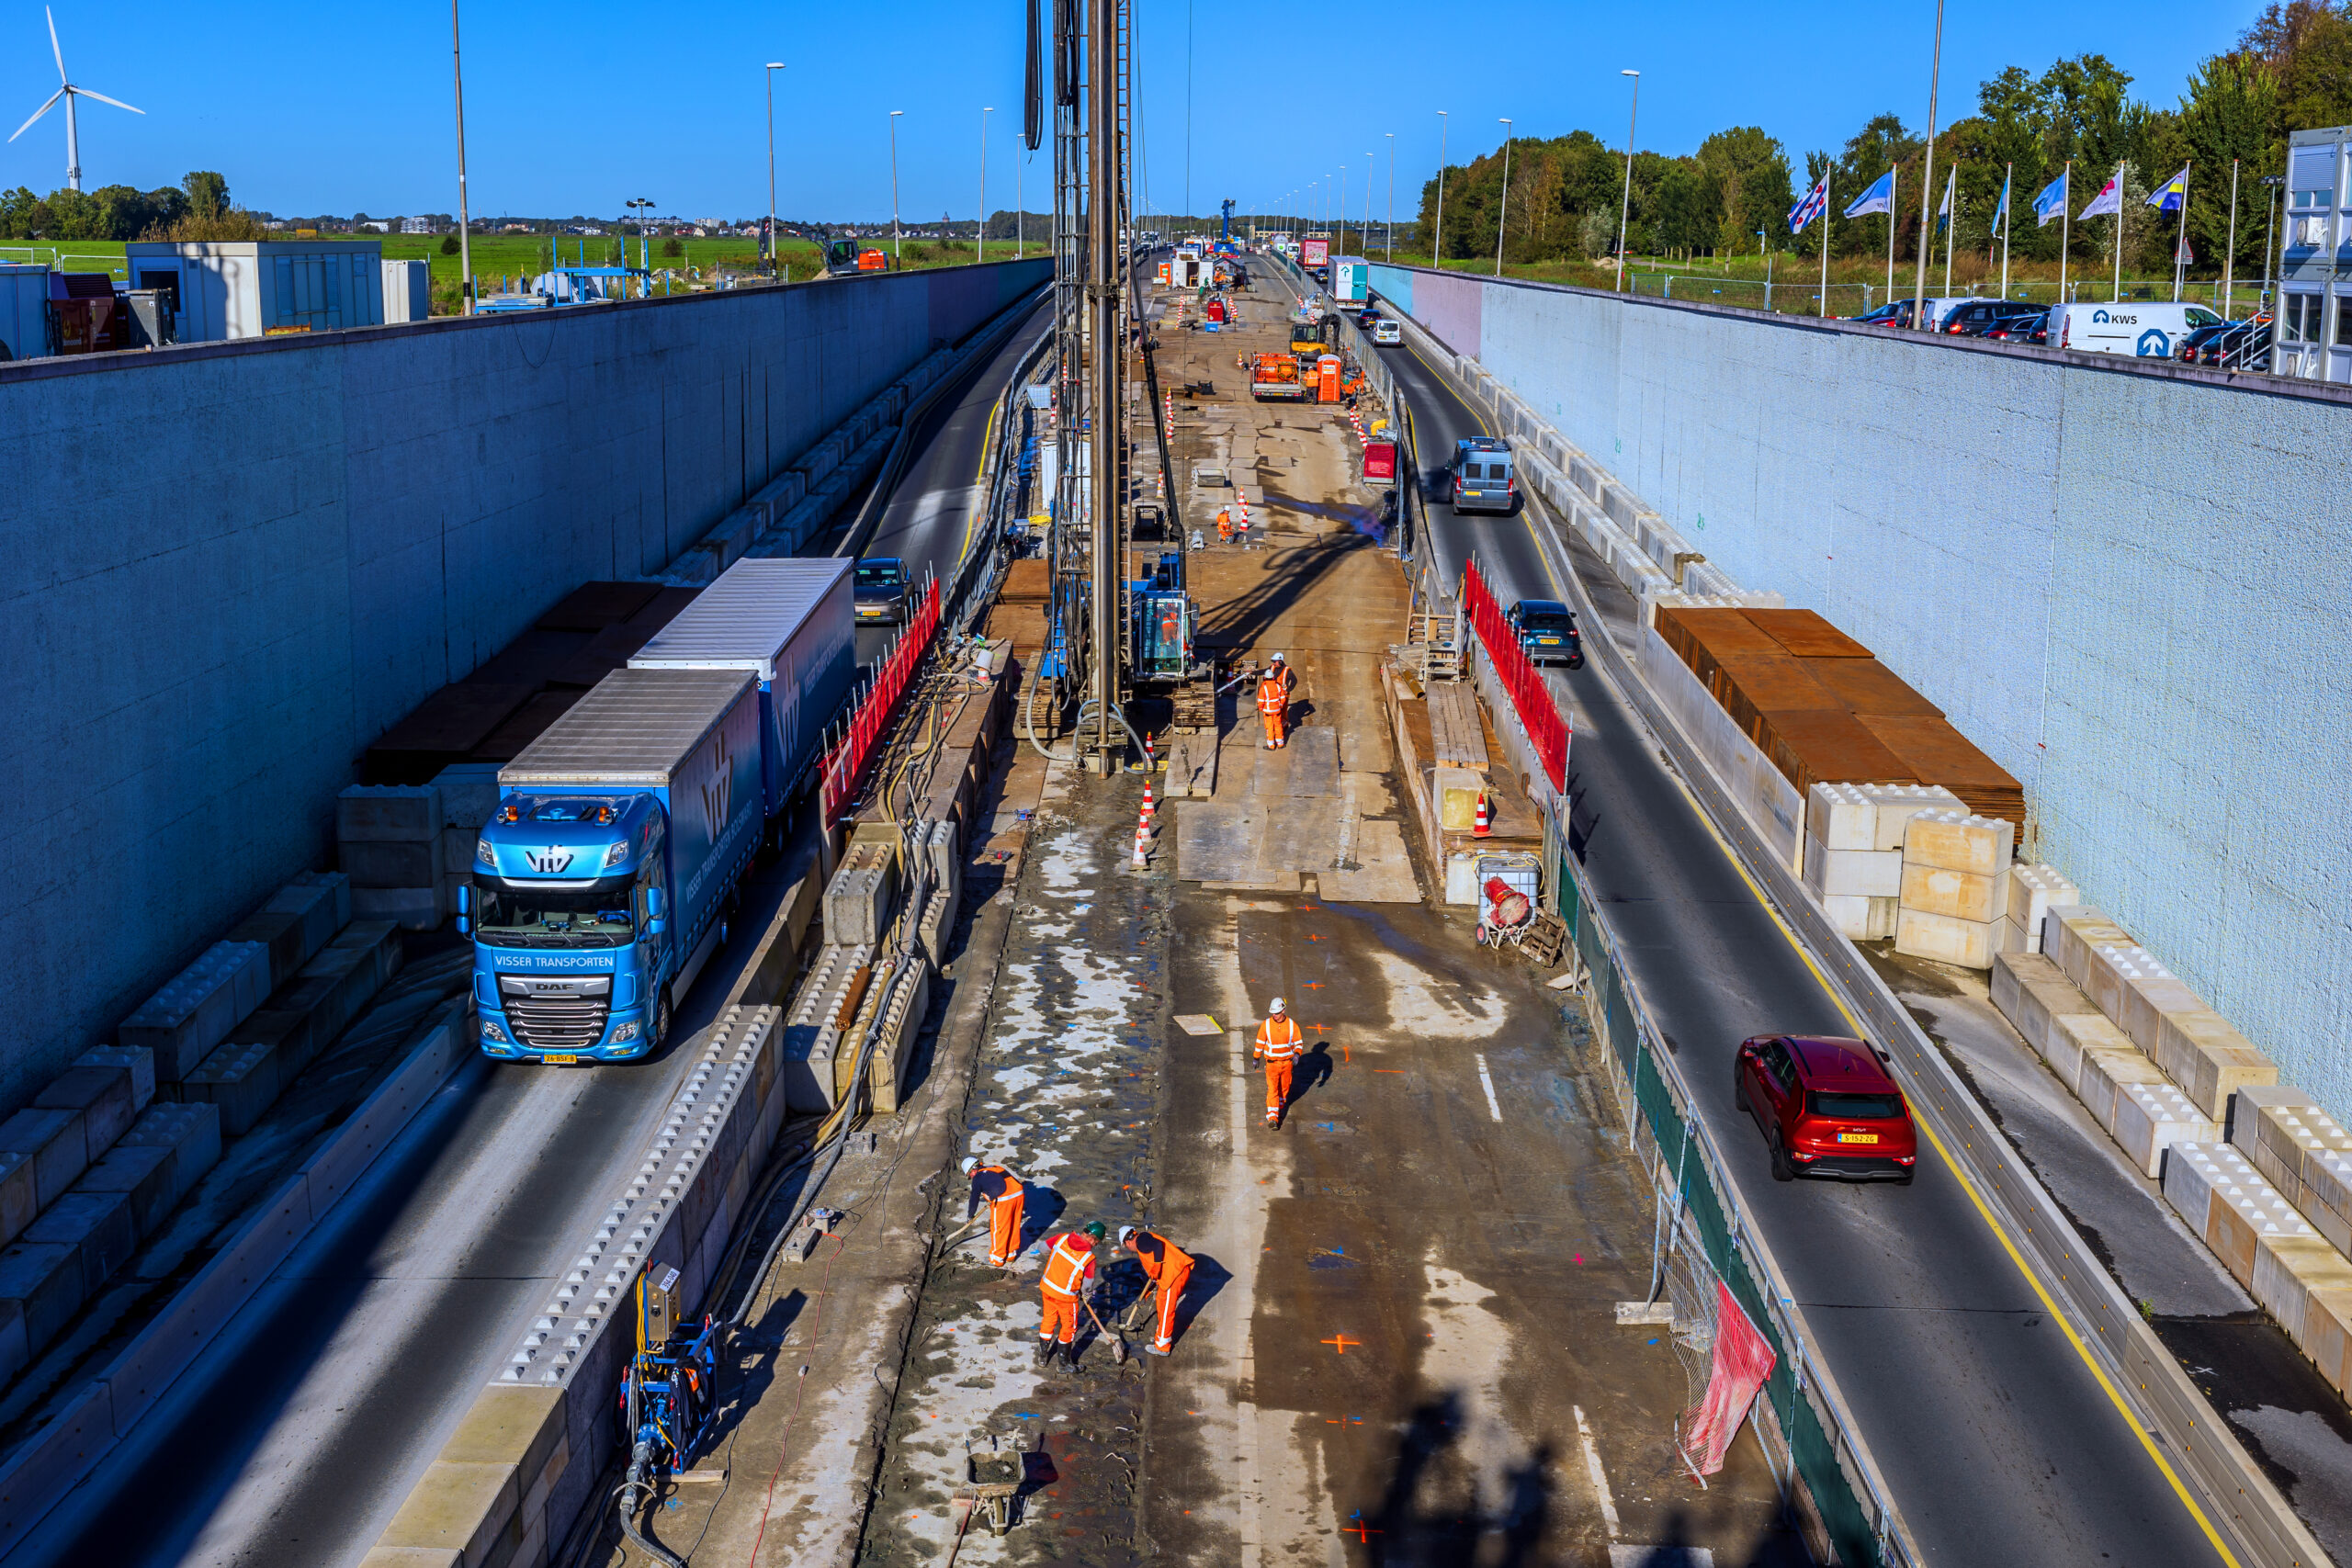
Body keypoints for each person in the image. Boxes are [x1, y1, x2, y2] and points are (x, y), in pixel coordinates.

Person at [1036, 1221, 1106, 1367]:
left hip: (1047, 1288)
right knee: (1069, 1327)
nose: (1095, 1245)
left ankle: (1042, 1356)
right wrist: (1086, 1295)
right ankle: (1064, 1364)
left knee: (1049, 1319)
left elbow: (1042, 1248)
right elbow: (1087, 1286)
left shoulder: (1062, 1238)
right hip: (1066, 1297)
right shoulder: (1089, 1258)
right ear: (1092, 1239)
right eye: (1097, 1242)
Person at [1120, 1225, 1195, 1356]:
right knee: (1161, 1301)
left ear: (1127, 1242)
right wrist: (1146, 1292)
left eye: (1126, 1247)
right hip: (1171, 1274)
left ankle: (1162, 1347)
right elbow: (1153, 1275)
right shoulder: (1143, 1240)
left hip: (1174, 1274)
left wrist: (1157, 1265)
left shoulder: (1141, 1241)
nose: (1129, 1250)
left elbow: (1158, 1246)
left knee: (1166, 1309)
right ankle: (1161, 1335)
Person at [961, 1155, 1026, 1269]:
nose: (971, 1177)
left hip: (1004, 1200)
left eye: (969, 1175)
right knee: (1013, 1225)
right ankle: (1011, 1254)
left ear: (972, 1170)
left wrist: (970, 1215)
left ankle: (997, 1258)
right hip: (1019, 1194)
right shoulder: (994, 1167)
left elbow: (974, 1198)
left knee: (999, 1228)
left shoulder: (977, 1178)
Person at [1254, 997, 1305, 1128]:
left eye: (1276, 1013)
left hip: (1287, 1064)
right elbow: (1260, 1042)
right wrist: (1256, 1057)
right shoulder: (1266, 1025)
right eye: (1273, 1013)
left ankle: (1279, 1109)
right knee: (1273, 1090)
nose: (1274, 1015)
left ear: (1283, 1011)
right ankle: (1272, 1117)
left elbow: (1298, 1043)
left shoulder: (1292, 1025)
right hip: (1272, 1064)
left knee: (1284, 1089)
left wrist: (1297, 1054)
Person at [1257, 655, 1289, 750]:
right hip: (1277, 711)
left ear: (1265, 678)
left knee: (1270, 728)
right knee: (1278, 726)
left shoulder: (1263, 688)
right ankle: (1280, 744)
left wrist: (1261, 708)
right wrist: (1280, 705)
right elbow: (1283, 698)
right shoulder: (1278, 686)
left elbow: (1260, 701)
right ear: (1273, 678)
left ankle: (1271, 745)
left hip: (1268, 712)